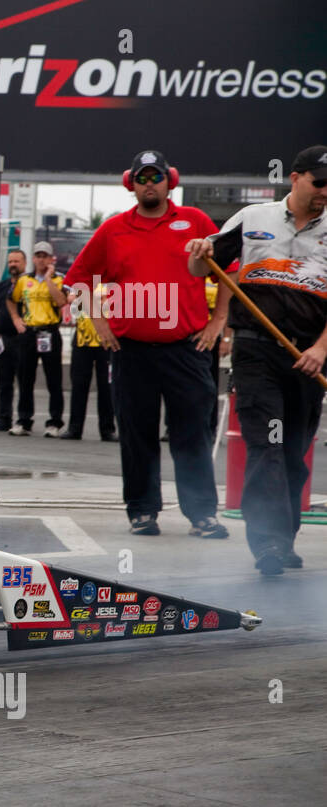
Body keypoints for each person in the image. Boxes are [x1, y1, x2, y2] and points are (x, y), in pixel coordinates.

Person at [64, 149, 227, 538]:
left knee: (192, 433)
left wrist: (218, 321)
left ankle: (202, 514)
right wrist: (97, 321)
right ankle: (142, 511)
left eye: (156, 177)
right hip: (130, 351)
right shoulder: (114, 229)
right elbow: (79, 279)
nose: (149, 183)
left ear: (171, 179)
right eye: (142, 178)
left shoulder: (195, 222)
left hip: (186, 349)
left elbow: (228, 272)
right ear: (130, 183)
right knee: (136, 433)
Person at [186, 144, 327, 574]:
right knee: (269, 443)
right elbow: (201, 266)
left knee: (293, 453)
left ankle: (283, 537)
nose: (325, 192)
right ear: (295, 178)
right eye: (319, 183)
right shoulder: (252, 218)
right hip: (257, 351)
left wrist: (321, 349)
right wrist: (196, 252)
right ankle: (266, 542)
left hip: (309, 355)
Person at [8, 241, 67, 436]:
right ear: (33, 258)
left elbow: (61, 301)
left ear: (51, 259)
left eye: (44, 256)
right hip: (29, 332)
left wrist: (48, 278)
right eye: (38, 256)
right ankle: (24, 420)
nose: (41, 259)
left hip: (49, 331)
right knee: (25, 378)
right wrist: (17, 319)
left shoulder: (59, 279)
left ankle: (55, 422)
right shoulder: (25, 280)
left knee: (53, 379)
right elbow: (11, 299)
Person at [62, 283, 117, 441]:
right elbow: (70, 298)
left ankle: (107, 429)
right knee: (79, 385)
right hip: (82, 341)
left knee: (106, 387)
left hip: (105, 341)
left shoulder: (110, 282)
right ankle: (75, 428)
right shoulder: (83, 282)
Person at [0, 249, 26, 431]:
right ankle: (4, 417)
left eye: (17, 261)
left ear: (24, 264)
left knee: (24, 380)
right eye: (11, 261)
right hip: (3, 340)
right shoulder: (2, 286)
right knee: (3, 380)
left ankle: (23, 419)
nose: (13, 264)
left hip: (23, 339)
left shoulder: (29, 286)